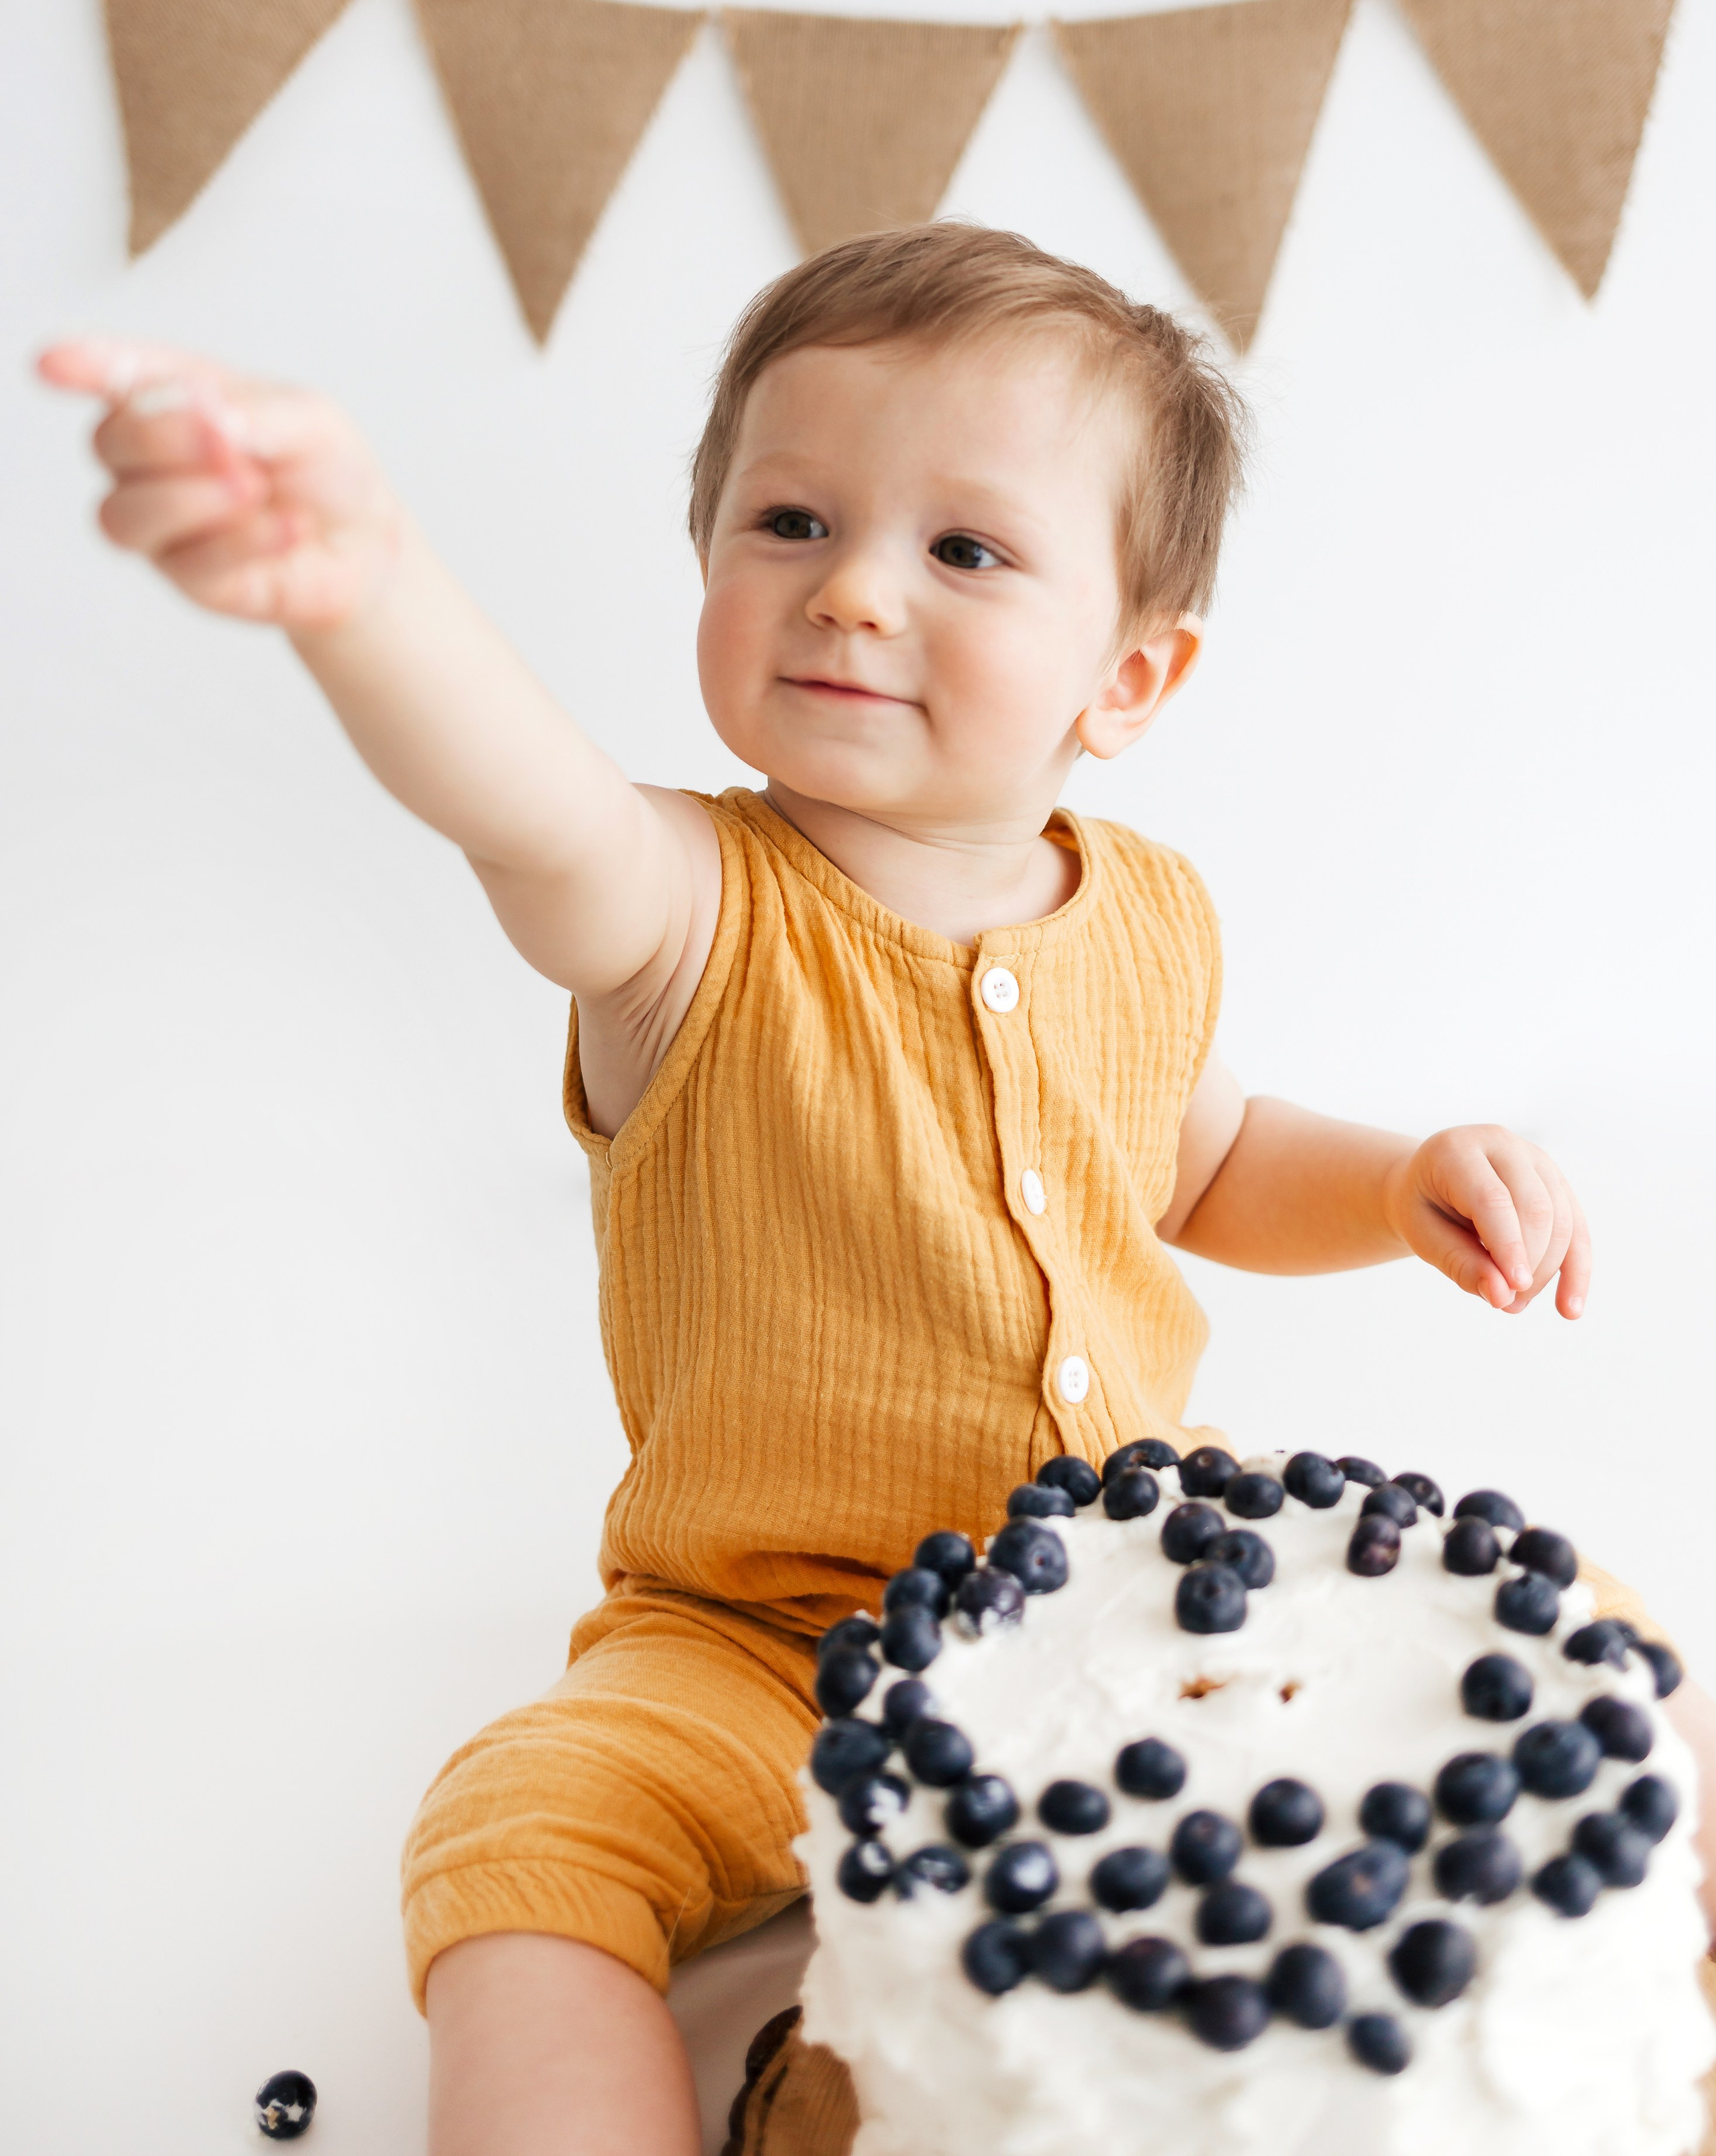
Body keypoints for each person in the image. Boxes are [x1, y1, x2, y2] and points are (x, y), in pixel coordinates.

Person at [40, 223, 1710, 2155]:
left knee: (1578, 1629)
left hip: (1138, 1585)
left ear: (1135, 674)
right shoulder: (679, 913)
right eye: (792, 524)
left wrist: (1406, 1175)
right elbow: (518, 792)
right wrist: (364, 586)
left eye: (964, 552)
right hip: (772, 1646)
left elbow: (1215, 1158)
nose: (852, 595)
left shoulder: (1152, 914)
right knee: (522, 1844)